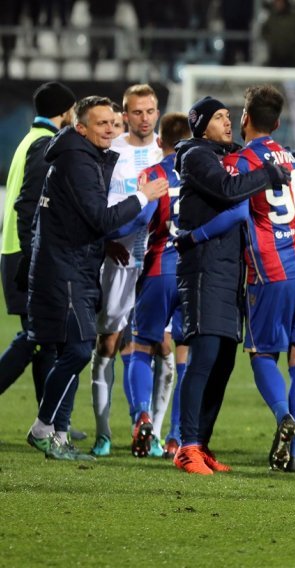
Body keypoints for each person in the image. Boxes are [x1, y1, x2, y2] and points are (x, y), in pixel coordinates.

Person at [180, 85, 295, 472]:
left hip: (273, 270)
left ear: (246, 119)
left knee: (262, 353)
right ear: (277, 123)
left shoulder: (242, 162)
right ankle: (291, 455)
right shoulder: (294, 160)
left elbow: (237, 213)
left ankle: (283, 417)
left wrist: (193, 236)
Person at [25, 95, 167, 460]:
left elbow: (85, 219)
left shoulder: (84, 156)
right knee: (77, 348)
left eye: (112, 123)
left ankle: (58, 433)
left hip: (75, 264)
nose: (109, 129)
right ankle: (43, 429)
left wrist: (103, 243)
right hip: (66, 269)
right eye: (100, 123)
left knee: (71, 348)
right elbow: (98, 217)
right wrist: (143, 195)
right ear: (81, 127)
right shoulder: (77, 161)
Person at [171, 96, 288, 475]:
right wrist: (268, 175)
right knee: (203, 358)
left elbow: (255, 152)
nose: (227, 121)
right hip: (203, 271)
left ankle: (201, 444)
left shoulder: (224, 153)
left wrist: (288, 159)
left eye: (228, 116)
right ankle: (185, 446)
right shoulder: (195, 156)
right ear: (202, 125)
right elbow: (225, 187)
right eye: (219, 117)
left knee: (221, 364)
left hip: (228, 273)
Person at [103, 112, 191, 460]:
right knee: (184, 352)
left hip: (156, 269)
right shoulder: (207, 172)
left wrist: (103, 235)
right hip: (193, 274)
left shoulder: (154, 174)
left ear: (160, 142)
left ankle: (141, 415)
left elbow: (139, 218)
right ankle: (176, 436)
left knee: (141, 347)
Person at [90, 84, 164, 458]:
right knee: (107, 344)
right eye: (137, 112)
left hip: (156, 265)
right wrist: (105, 241)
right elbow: (93, 207)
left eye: (150, 110)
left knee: (161, 347)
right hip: (117, 263)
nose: (145, 118)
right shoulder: (109, 153)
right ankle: (103, 433)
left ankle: (154, 431)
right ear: (125, 113)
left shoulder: (166, 152)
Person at [0, 82, 73, 407]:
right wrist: (35, 257)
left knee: (47, 340)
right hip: (26, 254)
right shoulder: (44, 145)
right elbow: (27, 205)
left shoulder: (29, 140)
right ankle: (51, 419)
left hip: (16, 250)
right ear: (64, 111)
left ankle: (51, 415)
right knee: (36, 338)